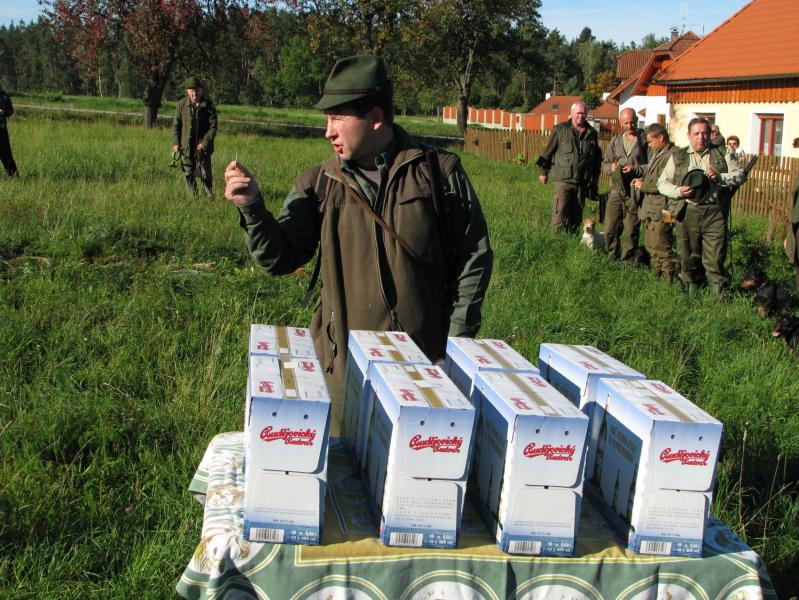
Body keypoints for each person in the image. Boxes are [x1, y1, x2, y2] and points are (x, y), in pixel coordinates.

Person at [224, 54, 493, 393]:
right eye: (327, 119)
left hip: (424, 366)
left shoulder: (439, 174)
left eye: (337, 118)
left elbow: (474, 258)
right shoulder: (318, 184)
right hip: (343, 370)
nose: (328, 131)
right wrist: (251, 207)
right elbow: (279, 260)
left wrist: (454, 348)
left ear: (375, 119)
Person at [657, 117, 744, 295]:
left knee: (715, 257)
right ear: (689, 135)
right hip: (688, 212)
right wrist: (679, 191)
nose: (700, 137)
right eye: (696, 133)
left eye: (704, 133)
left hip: (715, 212)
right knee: (688, 256)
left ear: (710, 134)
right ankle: (692, 295)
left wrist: (721, 177)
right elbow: (662, 183)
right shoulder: (678, 156)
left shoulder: (723, 152)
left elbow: (740, 175)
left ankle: (717, 297)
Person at [536, 101, 602, 233]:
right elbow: (547, 153)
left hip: (581, 182)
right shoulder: (560, 130)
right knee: (559, 214)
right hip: (563, 181)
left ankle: (572, 240)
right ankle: (555, 241)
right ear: (571, 113)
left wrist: (594, 180)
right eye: (578, 113)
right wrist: (543, 172)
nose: (581, 116)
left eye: (584, 113)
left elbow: (596, 159)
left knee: (576, 218)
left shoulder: (592, 133)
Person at [632, 124, 678, 282]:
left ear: (661, 137)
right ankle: (655, 279)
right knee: (652, 246)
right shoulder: (658, 154)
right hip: (652, 208)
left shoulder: (672, 156)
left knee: (662, 247)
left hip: (663, 209)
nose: (649, 145)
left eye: (651, 141)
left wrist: (643, 185)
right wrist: (642, 180)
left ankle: (667, 282)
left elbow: (666, 184)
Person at [601, 108, 647, 262]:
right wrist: (611, 167)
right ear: (621, 123)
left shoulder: (644, 140)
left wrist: (635, 169)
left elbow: (652, 166)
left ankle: (628, 261)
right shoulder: (616, 140)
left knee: (631, 229)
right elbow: (605, 163)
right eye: (626, 123)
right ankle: (612, 257)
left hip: (635, 191)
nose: (629, 126)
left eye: (632, 122)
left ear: (637, 120)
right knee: (609, 227)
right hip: (616, 189)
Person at [172, 77, 217, 200]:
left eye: (196, 90)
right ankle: (194, 200)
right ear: (187, 91)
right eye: (191, 90)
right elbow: (176, 126)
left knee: (205, 176)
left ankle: (209, 199)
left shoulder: (208, 106)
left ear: (201, 90)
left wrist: (204, 142)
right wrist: (176, 143)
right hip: (186, 148)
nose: (194, 93)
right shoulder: (181, 105)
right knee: (188, 175)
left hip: (203, 149)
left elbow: (213, 127)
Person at [0, 86, 19, 177]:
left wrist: (3, 112)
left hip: (2, 130)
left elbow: (11, 110)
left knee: (6, 153)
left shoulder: (3, 95)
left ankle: (14, 176)